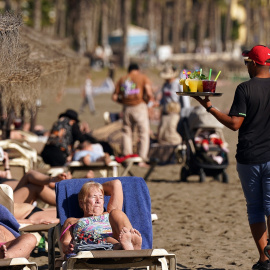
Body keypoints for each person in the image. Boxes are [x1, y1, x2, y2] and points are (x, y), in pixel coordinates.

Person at [192, 45, 270, 270]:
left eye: (247, 62)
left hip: (249, 157)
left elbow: (235, 124)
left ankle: (264, 260)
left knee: (255, 207)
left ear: (254, 64)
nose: (246, 66)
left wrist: (209, 107)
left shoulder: (245, 88)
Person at [60, 180, 142, 255]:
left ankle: (130, 243)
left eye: (101, 197)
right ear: (82, 203)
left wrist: (96, 187)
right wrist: (67, 247)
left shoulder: (109, 215)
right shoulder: (72, 221)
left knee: (117, 212)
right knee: (107, 239)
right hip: (89, 245)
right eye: (93, 197)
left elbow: (116, 184)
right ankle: (126, 248)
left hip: (115, 239)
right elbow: (65, 241)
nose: (98, 200)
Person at [112, 63, 153, 167]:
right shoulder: (142, 78)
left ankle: (127, 157)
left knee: (127, 132)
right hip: (139, 107)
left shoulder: (122, 79)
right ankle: (142, 159)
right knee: (143, 133)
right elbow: (148, 93)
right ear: (138, 70)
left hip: (126, 108)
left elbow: (114, 97)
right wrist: (148, 101)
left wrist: (123, 102)